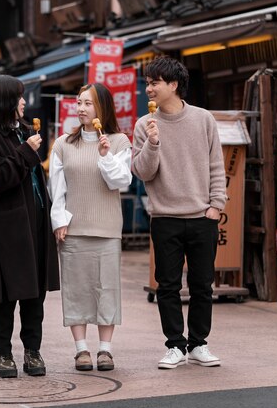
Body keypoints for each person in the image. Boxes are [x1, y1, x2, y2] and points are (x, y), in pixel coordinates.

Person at [132, 57, 227, 369]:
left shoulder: (203, 120)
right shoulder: (144, 125)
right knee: (167, 285)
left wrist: (216, 206)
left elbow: (216, 165)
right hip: (164, 217)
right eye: (148, 82)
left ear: (173, 85)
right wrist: (154, 143)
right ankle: (175, 345)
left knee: (202, 285)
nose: (149, 88)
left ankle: (199, 343)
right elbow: (143, 173)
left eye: (155, 82)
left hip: (202, 216)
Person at [0, 74, 60, 379]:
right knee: (6, 296)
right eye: (19, 96)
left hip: (33, 225)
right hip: (5, 232)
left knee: (35, 295)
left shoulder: (22, 132)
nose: (24, 102)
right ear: (5, 101)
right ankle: (3, 354)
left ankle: (33, 351)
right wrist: (26, 154)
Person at [49, 83, 132, 372]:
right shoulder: (62, 143)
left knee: (106, 288)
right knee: (76, 289)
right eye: (79, 102)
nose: (81, 108)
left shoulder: (120, 141)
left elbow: (120, 182)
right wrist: (59, 221)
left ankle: (106, 350)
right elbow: (57, 189)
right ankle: (81, 349)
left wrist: (106, 155)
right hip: (74, 228)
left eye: (88, 103)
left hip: (107, 228)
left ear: (102, 109)